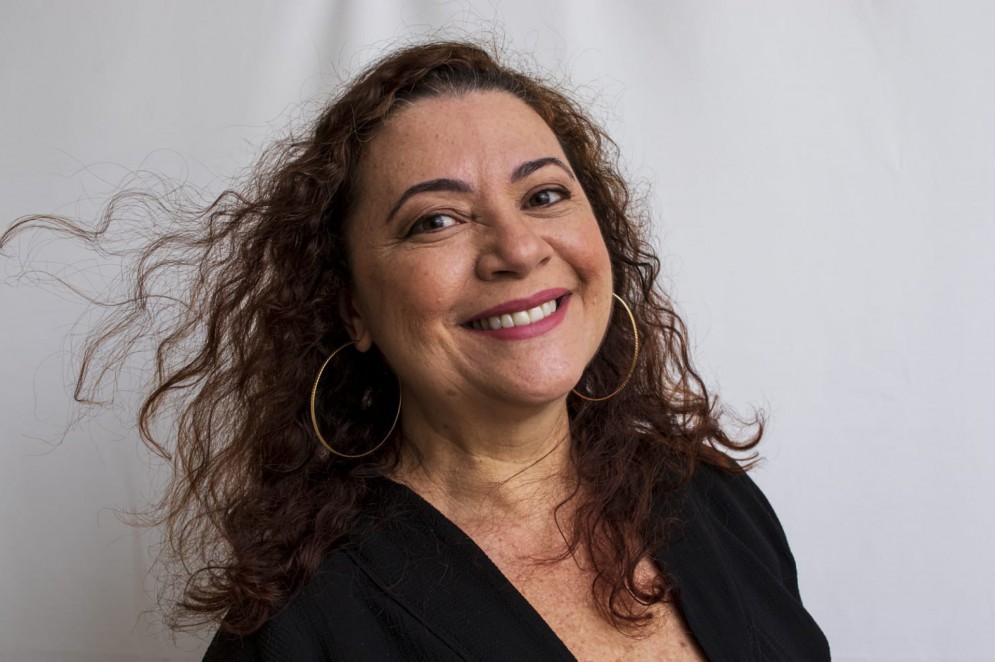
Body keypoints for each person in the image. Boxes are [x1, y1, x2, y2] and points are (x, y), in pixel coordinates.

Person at [4, 41, 829, 660]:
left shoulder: (715, 503)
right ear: (351, 307)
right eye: (435, 220)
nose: (517, 248)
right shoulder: (304, 629)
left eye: (544, 194)